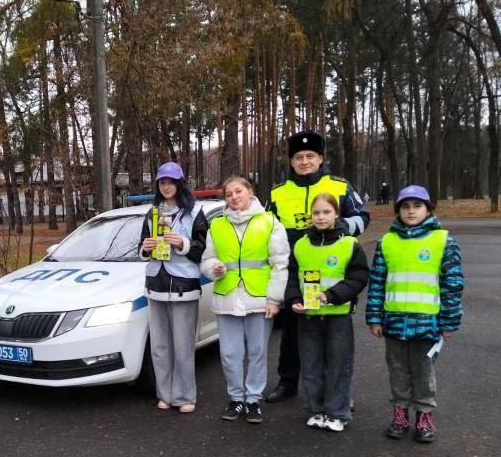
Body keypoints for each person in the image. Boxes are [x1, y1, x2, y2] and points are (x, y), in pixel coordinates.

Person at [264, 130, 369, 403]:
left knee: (334, 340)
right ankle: (288, 384)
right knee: (292, 336)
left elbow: (362, 217)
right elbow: (265, 228)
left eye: (311, 156)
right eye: (298, 157)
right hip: (294, 271)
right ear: (291, 161)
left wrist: (343, 227)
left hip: (332, 275)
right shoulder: (278, 192)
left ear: (321, 158)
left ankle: (338, 394)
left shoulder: (340, 186)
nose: (305, 161)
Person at [365, 185, 463, 443]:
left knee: (423, 371)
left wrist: (450, 323)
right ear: (398, 210)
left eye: (417, 206)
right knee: (397, 370)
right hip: (394, 323)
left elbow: (452, 285)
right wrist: (374, 317)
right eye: (405, 206)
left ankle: (424, 415)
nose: (411, 211)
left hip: (428, 324)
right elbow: (377, 283)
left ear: (428, 209)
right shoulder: (386, 242)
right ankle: (400, 414)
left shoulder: (443, 240)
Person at [200, 176, 289, 423]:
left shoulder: (269, 222)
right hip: (226, 297)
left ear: (250, 192)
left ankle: (253, 400)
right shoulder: (217, 225)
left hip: (259, 299)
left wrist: (274, 299)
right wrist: (213, 268)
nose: (234, 197)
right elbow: (207, 259)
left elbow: (280, 264)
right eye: (229, 194)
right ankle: (236, 399)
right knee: (230, 354)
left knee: (258, 351)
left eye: (239, 191)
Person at [284, 193, 369, 432]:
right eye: (316, 213)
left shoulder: (349, 244)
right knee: (311, 364)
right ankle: (316, 409)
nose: (321, 217)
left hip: (337, 315)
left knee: (338, 365)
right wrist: (294, 299)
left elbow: (359, 277)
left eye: (326, 212)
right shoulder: (300, 245)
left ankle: (337, 412)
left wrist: (332, 295)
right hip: (308, 316)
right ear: (310, 216)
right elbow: (292, 277)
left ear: (336, 214)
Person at [140, 162, 209, 413]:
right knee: (159, 346)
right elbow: (142, 249)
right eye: (162, 182)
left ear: (180, 183)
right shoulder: (152, 213)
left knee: (183, 345)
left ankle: (185, 396)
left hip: (184, 285)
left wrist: (182, 243)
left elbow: (203, 250)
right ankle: (165, 394)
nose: (166, 186)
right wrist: (146, 249)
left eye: (171, 182)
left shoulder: (195, 212)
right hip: (155, 284)